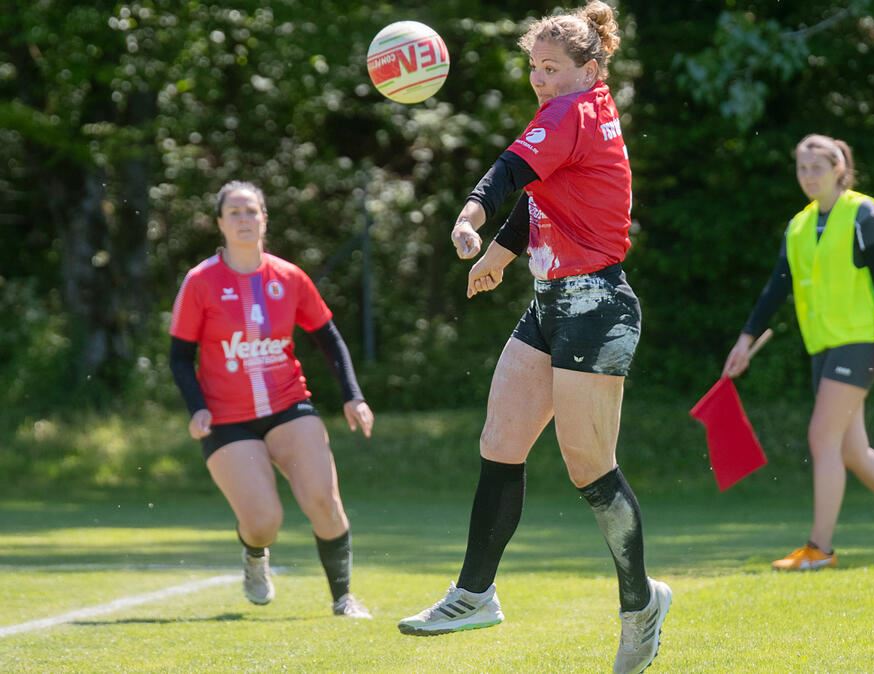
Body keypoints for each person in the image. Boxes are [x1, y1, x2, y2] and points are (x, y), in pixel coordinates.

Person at [396, 3, 670, 672]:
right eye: (533, 69)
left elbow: (509, 175)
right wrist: (501, 252)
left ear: (590, 67)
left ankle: (641, 604)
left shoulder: (570, 113)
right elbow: (547, 192)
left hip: (597, 307)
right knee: (501, 439)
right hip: (552, 304)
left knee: (589, 467)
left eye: (552, 68)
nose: (540, 79)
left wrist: (469, 219)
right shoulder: (583, 109)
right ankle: (474, 593)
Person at [722, 134, 874, 571]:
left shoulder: (863, 213)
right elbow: (776, 289)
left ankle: (819, 550)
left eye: (817, 168)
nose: (808, 177)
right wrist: (745, 341)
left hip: (860, 340)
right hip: (824, 346)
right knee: (851, 452)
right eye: (802, 169)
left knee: (821, 437)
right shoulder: (799, 225)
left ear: (839, 170)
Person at [169, 181, 373, 618]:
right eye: (235, 213)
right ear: (220, 223)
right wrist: (197, 407)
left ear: (264, 219)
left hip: (288, 405)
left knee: (323, 500)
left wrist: (353, 397)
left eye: (252, 211)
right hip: (227, 419)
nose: (244, 220)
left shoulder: (288, 277)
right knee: (264, 522)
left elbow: (329, 338)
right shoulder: (201, 281)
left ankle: (343, 598)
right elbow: (180, 357)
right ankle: (254, 557)